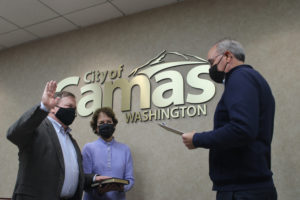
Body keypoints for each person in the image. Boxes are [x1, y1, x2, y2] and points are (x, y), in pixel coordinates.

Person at [182, 39, 277, 200]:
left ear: (227, 56)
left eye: (211, 62)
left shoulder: (240, 78)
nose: (210, 68)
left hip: (243, 191)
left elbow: (242, 129)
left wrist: (197, 139)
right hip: (249, 188)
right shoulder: (250, 78)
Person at [7, 81, 108, 200]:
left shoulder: (71, 140)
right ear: (53, 107)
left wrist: (93, 179)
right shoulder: (37, 128)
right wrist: (43, 107)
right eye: (69, 107)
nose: (73, 112)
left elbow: (69, 175)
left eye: (74, 109)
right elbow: (14, 134)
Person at [82, 107, 134, 200]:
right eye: (101, 123)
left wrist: (122, 187)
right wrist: (98, 189)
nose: (105, 125)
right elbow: (84, 180)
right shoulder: (88, 148)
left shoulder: (125, 149)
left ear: (114, 125)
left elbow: (130, 179)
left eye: (109, 122)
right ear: (96, 128)